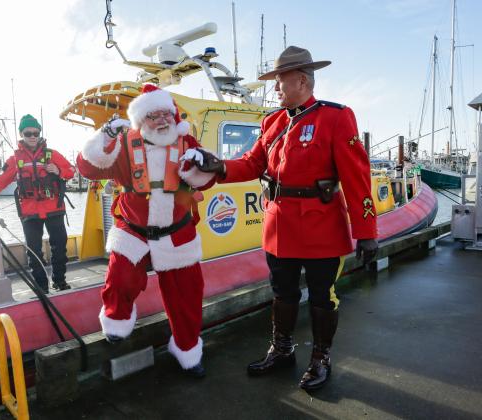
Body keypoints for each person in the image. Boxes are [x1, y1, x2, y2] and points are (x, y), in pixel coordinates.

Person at [182, 46, 379, 390]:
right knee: (282, 292)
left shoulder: (335, 117)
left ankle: (320, 358)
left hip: (321, 227)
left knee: (322, 296)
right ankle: (282, 349)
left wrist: (367, 231)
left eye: (280, 81)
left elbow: (357, 176)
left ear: (301, 80)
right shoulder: (272, 122)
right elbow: (252, 163)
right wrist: (219, 166)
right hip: (279, 227)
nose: (275, 89)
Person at [76, 84, 217, 377]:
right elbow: (88, 168)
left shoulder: (187, 141)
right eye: (152, 115)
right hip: (133, 229)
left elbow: (205, 181)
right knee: (120, 278)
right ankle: (116, 322)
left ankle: (187, 349)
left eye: (165, 113)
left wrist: (204, 167)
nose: (161, 120)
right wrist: (106, 136)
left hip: (177, 231)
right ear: (140, 120)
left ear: (174, 115)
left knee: (188, 295)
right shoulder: (124, 144)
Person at [0, 114, 75, 293]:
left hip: (54, 209)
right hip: (30, 213)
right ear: (21, 134)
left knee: (60, 248)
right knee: (33, 251)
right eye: (28, 133)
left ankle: (60, 281)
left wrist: (59, 170)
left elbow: (71, 171)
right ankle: (41, 287)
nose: (33, 136)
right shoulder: (15, 160)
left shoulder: (52, 155)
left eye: (36, 132)